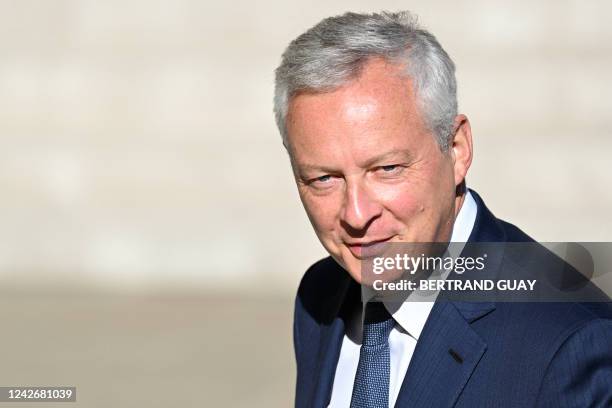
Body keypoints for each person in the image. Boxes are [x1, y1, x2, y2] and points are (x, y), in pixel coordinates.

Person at [273, 11, 612, 408]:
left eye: (387, 169)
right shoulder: (321, 296)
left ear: (457, 149)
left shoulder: (569, 343)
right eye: (323, 179)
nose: (357, 214)